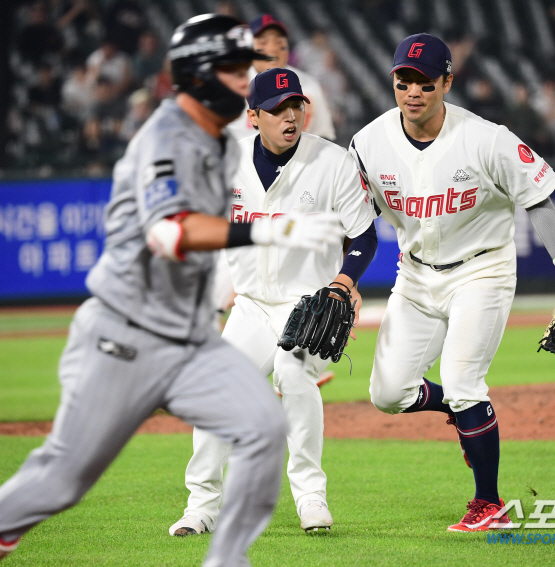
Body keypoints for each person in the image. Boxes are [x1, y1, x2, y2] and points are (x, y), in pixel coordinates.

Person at [0, 14, 342, 565]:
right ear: (197, 75)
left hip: (179, 327)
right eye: (231, 69)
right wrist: (266, 230)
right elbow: (170, 230)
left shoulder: (219, 139)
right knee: (64, 477)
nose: (242, 76)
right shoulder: (169, 137)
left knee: (257, 424)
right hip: (127, 328)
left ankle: (223, 542)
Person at [349, 33, 555, 532]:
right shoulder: (368, 143)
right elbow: (351, 221)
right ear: (392, 82)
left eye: (424, 82)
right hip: (415, 276)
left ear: (447, 82)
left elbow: (539, 199)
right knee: (388, 393)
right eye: (404, 81)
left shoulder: (485, 138)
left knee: (465, 381)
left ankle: (489, 504)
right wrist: (342, 280)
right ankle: (463, 414)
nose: (413, 92)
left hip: (483, 271)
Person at [169, 68, 377, 537]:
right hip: (251, 306)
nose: (290, 115)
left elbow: (364, 236)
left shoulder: (333, 162)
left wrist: (344, 282)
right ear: (252, 116)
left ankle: (310, 498)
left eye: (296, 106)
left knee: (292, 374)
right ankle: (202, 506)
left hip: (307, 303)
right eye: (278, 108)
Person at [228, 13, 336, 141]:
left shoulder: (309, 85)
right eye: (263, 42)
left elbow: (324, 136)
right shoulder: (232, 84)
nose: (272, 48)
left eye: (279, 42)